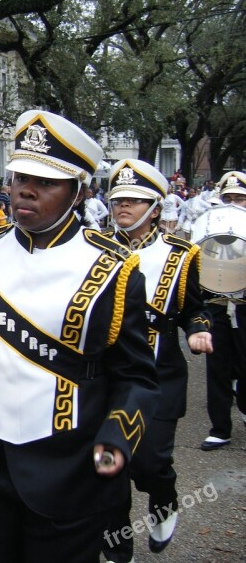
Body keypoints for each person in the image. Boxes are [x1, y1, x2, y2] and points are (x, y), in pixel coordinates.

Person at [0, 110, 159, 562]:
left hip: (70, 472)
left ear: (78, 191)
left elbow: (137, 377)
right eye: (20, 177)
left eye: (46, 182)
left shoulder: (111, 268)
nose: (26, 189)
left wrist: (118, 436)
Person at [103, 159, 213, 561]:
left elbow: (195, 308)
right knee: (106, 467)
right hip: (106, 377)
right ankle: (117, 548)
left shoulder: (182, 255)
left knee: (150, 463)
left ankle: (163, 501)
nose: (123, 208)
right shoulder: (92, 250)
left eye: (134, 200)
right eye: (118, 200)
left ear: (155, 207)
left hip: (159, 375)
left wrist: (199, 328)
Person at [200, 171, 246, 452]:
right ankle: (220, 428)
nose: (233, 203)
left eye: (239, 199)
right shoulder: (212, 229)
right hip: (218, 307)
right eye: (227, 198)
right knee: (217, 369)